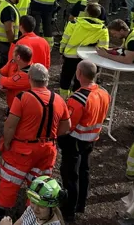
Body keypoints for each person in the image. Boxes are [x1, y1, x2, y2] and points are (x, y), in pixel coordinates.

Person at [0, 64, 71, 223]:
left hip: (23, 149)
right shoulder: (58, 99)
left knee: (9, 180)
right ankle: (34, 214)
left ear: (30, 79)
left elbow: (10, 125)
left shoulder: (23, 98)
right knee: (38, 181)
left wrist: (7, 143)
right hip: (48, 149)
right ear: (47, 80)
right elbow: (66, 126)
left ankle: (0, 213)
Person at [58, 60, 110, 222]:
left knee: (70, 175)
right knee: (84, 171)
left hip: (75, 141)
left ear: (79, 74)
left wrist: (58, 136)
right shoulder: (104, 93)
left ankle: (68, 210)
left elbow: (69, 125)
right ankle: (81, 203)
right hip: (91, 139)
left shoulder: (78, 98)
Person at [58, 3, 108, 99]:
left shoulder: (74, 23)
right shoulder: (102, 29)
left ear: (86, 13)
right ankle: (74, 99)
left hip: (70, 56)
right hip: (87, 58)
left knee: (66, 77)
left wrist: (61, 52)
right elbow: (103, 47)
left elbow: (65, 39)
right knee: (80, 80)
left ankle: (63, 99)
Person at [0, 176, 67, 225]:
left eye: (41, 206)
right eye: (33, 202)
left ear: (53, 207)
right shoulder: (32, 209)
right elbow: (19, 222)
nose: (35, 209)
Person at [0, 44, 33, 108]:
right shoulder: (13, 62)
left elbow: (7, 82)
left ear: (18, 57)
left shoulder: (26, 74)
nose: (12, 54)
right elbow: (3, 72)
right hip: (12, 102)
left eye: (14, 52)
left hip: (21, 106)